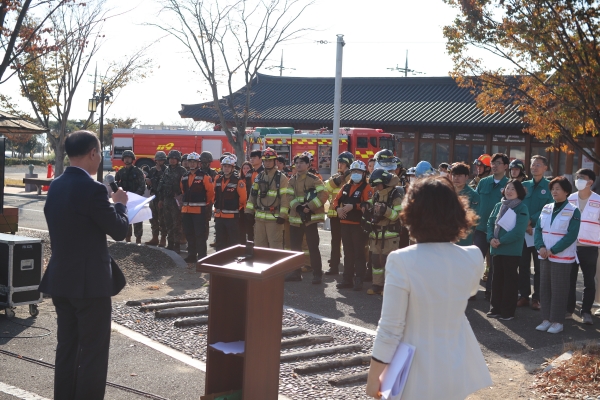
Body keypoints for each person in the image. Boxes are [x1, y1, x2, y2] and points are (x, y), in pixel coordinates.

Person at [365, 176, 492, 399]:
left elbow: (391, 328)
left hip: (413, 371)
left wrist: (374, 378)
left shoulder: (401, 260)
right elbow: (470, 291)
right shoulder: (473, 255)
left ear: (412, 213)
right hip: (456, 365)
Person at [39, 130, 129, 400]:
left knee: (66, 347)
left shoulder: (56, 185)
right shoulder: (93, 189)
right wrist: (121, 206)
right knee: (93, 353)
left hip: (61, 278)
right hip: (90, 284)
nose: (100, 158)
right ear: (92, 153)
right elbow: (118, 230)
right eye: (100, 153)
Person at [534, 176, 581, 334]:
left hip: (562, 256)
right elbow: (538, 229)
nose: (554, 191)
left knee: (559, 289)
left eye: (558, 189)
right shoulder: (546, 207)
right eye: (552, 188)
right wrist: (540, 246)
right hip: (544, 254)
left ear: (567, 192)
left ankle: (557, 321)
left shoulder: (573, 210)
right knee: (544, 288)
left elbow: (571, 235)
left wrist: (553, 249)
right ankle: (546, 319)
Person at [486, 180, 529, 320]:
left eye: (513, 189)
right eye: (507, 188)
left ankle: (507, 312)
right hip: (496, 249)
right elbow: (490, 223)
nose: (509, 191)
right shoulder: (499, 205)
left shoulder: (522, 208)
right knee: (496, 280)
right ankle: (495, 309)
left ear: (519, 192)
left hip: (511, 250)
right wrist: (491, 238)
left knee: (510, 281)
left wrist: (501, 241)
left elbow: (519, 231)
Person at [284, 151, 328, 283]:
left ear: (308, 165)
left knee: (313, 247)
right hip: (295, 219)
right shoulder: (292, 180)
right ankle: (295, 273)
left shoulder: (314, 179)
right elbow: (289, 196)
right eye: (296, 163)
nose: (298, 165)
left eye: (301, 163)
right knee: (295, 248)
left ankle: (317, 274)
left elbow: (323, 195)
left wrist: (309, 207)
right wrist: (299, 207)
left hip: (310, 220)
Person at [518, 155, 553, 310]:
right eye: (532, 164)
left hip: (540, 232)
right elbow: (517, 204)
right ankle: (524, 296)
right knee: (523, 265)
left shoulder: (551, 186)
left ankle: (537, 298)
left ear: (545, 168)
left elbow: (549, 207)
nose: (534, 167)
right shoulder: (523, 185)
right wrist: (525, 223)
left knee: (539, 268)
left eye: (538, 164)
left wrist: (530, 220)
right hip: (523, 231)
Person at [566, 169, 600, 324]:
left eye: (582, 178)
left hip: (590, 246)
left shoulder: (598, 201)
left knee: (589, 281)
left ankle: (586, 312)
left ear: (590, 182)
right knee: (570, 280)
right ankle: (569, 310)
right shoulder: (570, 199)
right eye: (577, 177)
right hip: (571, 246)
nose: (578, 180)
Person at [474, 153, 509, 300]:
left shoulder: (509, 185)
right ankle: (471, 291)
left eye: (498, 163)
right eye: (493, 163)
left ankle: (491, 292)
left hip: (498, 230)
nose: (494, 166)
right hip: (481, 228)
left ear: (506, 166)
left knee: (495, 264)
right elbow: (475, 201)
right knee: (475, 261)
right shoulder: (483, 182)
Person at [362, 169, 402, 295]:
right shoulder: (377, 194)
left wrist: (385, 210)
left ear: (385, 183)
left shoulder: (395, 195)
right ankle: (377, 285)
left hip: (390, 235)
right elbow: (372, 203)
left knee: (388, 262)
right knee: (376, 261)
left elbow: (398, 215)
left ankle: (388, 287)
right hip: (376, 234)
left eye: (378, 185)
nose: (377, 188)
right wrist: (367, 205)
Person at [334, 160, 372, 291]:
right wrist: (337, 209)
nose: (356, 174)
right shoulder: (345, 187)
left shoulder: (367, 188)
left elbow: (368, 205)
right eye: (354, 171)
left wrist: (354, 206)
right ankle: (347, 279)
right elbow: (336, 200)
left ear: (364, 173)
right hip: (345, 224)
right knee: (348, 253)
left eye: (359, 172)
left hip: (358, 225)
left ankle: (359, 280)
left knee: (359, 253)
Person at [246, 147, 289, 250]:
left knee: (275, 246)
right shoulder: (259, 176)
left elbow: (285, 198)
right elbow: (253, 195)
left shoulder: (281, 178)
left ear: (275, 161)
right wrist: (248, 212)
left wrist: (283, 215)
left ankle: (276, 267)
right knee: (259, 246)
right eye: (265, 160)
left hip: (274, 219)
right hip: (259, 219)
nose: (267, 163)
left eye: (270, 160)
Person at [180, 152, 215, 263]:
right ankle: (191, 255)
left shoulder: (205, 176)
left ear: (198, 163)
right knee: (189, 234)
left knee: (200, 235)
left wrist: (206, 204)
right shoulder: (184, 176)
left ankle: (202, 256)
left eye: (194, 162)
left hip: (199, 210)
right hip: (186, 210)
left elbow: (210, 192)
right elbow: (183, 191)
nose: (192, 164)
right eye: (190, 161)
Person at [324, 151, 354, 275]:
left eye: (342, 163)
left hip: (348, 214)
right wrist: (337, 180)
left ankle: (350, 268)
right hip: (335, 215)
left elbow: (353, 187)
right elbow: (326, 189)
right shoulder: (335, 177)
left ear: (349, 164)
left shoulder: (353, 177)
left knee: (349, 242)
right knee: (335, 242)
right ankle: (334, 266)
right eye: (339, 162)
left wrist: (347, 176)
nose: (340, 165)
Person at [213, 155, 247, 251]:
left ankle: (233, 260)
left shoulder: (238, 181)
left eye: (228, 166)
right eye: (225, 166)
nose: (226, 168)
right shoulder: (218, 180)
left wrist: (235, 207)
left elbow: (243, 199)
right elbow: (214, 194)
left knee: (233, 241)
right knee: (220, 241)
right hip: (219, 216)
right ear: (222, 167)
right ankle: (220, 261)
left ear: (233, 168)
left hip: (232, 217)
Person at [157, 150, 187, 253]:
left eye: (174, 158)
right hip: (166, 200)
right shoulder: (166, 170)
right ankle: (170, 244)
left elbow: (185, 187)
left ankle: (177, 245)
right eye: (170, 158)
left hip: (176, 201)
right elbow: (162, 185)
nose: (172, 160)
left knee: (177, 224)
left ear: (178, 160)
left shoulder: (182, 171)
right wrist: (161, 199)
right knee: (168, 222)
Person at [114, 150, 145, 243]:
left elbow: (142, 185)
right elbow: (116, 185)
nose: (127, 160)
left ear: (133, 159)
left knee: (137, 220)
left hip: (135, 199)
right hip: (125, 199)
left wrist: (135, 196)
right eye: (126, 158)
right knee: (126, 219)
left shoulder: (138, 171)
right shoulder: (120, 172)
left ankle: (138, 240)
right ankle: (128, 239)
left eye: (129, 158)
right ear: (123, 159)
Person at [451, 162, 480, 247]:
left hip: (464, 237)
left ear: (466, 177)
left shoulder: (473, 195)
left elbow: (474, 216)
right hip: (447, 235)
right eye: (454, 175)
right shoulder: (447, 192)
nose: (456, 178)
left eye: (459, 176)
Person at [145, 151, 168, 247]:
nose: (160, 162)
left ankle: (163, 238)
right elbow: (149, 181)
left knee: (162, 219)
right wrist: (147, 181)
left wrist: (160, 172)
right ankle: (155, 237)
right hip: (153, 196)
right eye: (159, 160)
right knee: (153, 218)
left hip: (162, 197)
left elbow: (166, 182)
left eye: (162, 160)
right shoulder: (152, 170)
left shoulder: (167, 170)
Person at [244, 150, 264, 242]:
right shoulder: (249, 173)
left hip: (261, 207)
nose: (252, 160)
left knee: (261, 234)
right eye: (251, 158)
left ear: (260, 159)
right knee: (250, 233)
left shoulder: (264, 173)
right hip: (249, 207)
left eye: (254, 157)